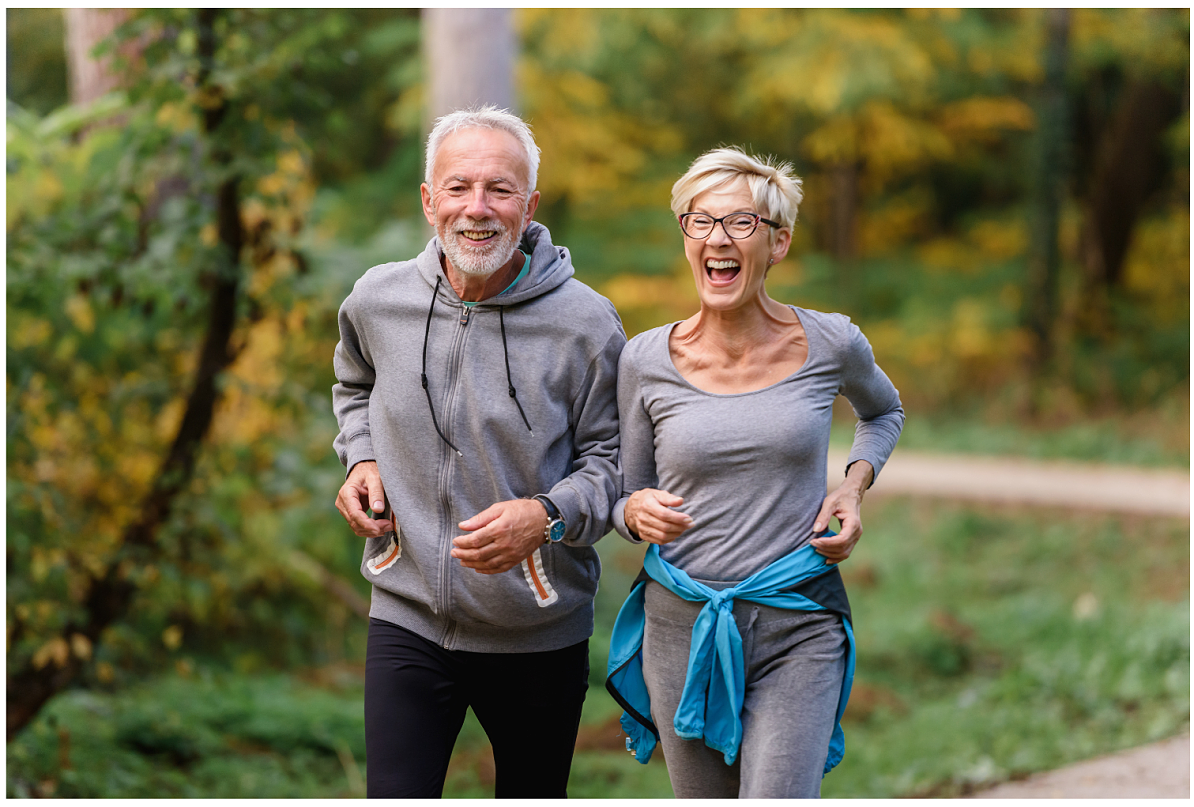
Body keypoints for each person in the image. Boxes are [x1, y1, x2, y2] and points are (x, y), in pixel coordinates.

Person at [331, 105, 625, 798]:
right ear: (429, 199)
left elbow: (615, 465)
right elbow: (353, 383)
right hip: (405, 614)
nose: (478, 208)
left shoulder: (585, 323)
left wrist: (548, 514)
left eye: (499, 189)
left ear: (530, 204)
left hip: (537, 629)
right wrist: (361, 458)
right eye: (459, 187)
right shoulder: (379, 300)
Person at [605, 147, 904, 798]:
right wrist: (634, 512)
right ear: (686, 237)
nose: (718, 239)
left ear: (779, 242)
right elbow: (624, 494)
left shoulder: (832, 342)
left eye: (741, 223)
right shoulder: (643, 360)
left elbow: (883, 412)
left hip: (798, 620)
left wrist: (851, 488)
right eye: (699, 221)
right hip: (681, 629)